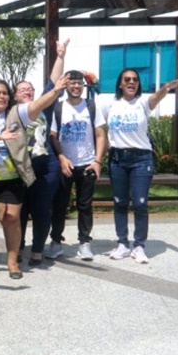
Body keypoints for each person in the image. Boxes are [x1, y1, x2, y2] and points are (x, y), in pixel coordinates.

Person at [0, 75, 67, 279]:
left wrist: (55, 91)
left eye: (5, 93)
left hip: (12, 178)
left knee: (11, 218)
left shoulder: (17, 113)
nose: (2, 96)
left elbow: (38, 104)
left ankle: (12, 261)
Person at [102, 70, 178, 263]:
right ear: (120, 83)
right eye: (127, 79)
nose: (131, 82)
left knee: (140, 203)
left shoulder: (143, 103)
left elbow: (156, 98)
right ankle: (122, 244)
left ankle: (139, 246)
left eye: (135, 80)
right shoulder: (109, 104)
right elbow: (101, 130)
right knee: (120, 202)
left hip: (141, 159)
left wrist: (165, 89)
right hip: (117, 159)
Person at [15, 39, 67, 266]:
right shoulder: (12, 111)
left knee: (41, 210)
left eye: (30, 89)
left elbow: (54, 81)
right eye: (21, 89)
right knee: (20, 210)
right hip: (20, 167)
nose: (27, 91)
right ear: (15, 95)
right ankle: (17, 249)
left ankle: (37, 251)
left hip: (46, 166)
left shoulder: (43, 105)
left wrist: (61, 55)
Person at [48, 70, 107, 261]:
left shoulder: (91, 106)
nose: (76, 86)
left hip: (87, 164)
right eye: (72, 82)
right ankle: (56, 241)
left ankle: (84, 243)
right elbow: (53, 136)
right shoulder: (58, 108)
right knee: (60, 204)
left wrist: (97, 161)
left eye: (79, 83)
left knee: (85, 205)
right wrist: (62, 157)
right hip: (66, 164)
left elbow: (100, 135)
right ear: (65, 85)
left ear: (83, 85)